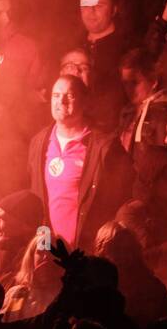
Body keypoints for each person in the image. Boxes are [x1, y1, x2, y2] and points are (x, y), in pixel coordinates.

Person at [27, 75, 133, 253]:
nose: (61, 100)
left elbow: (124, 194)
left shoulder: (105, 146)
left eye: (70, 95)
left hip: (86, 251)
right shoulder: (39, 143)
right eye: (56, 95)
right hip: (47, 252)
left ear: (84, 102)